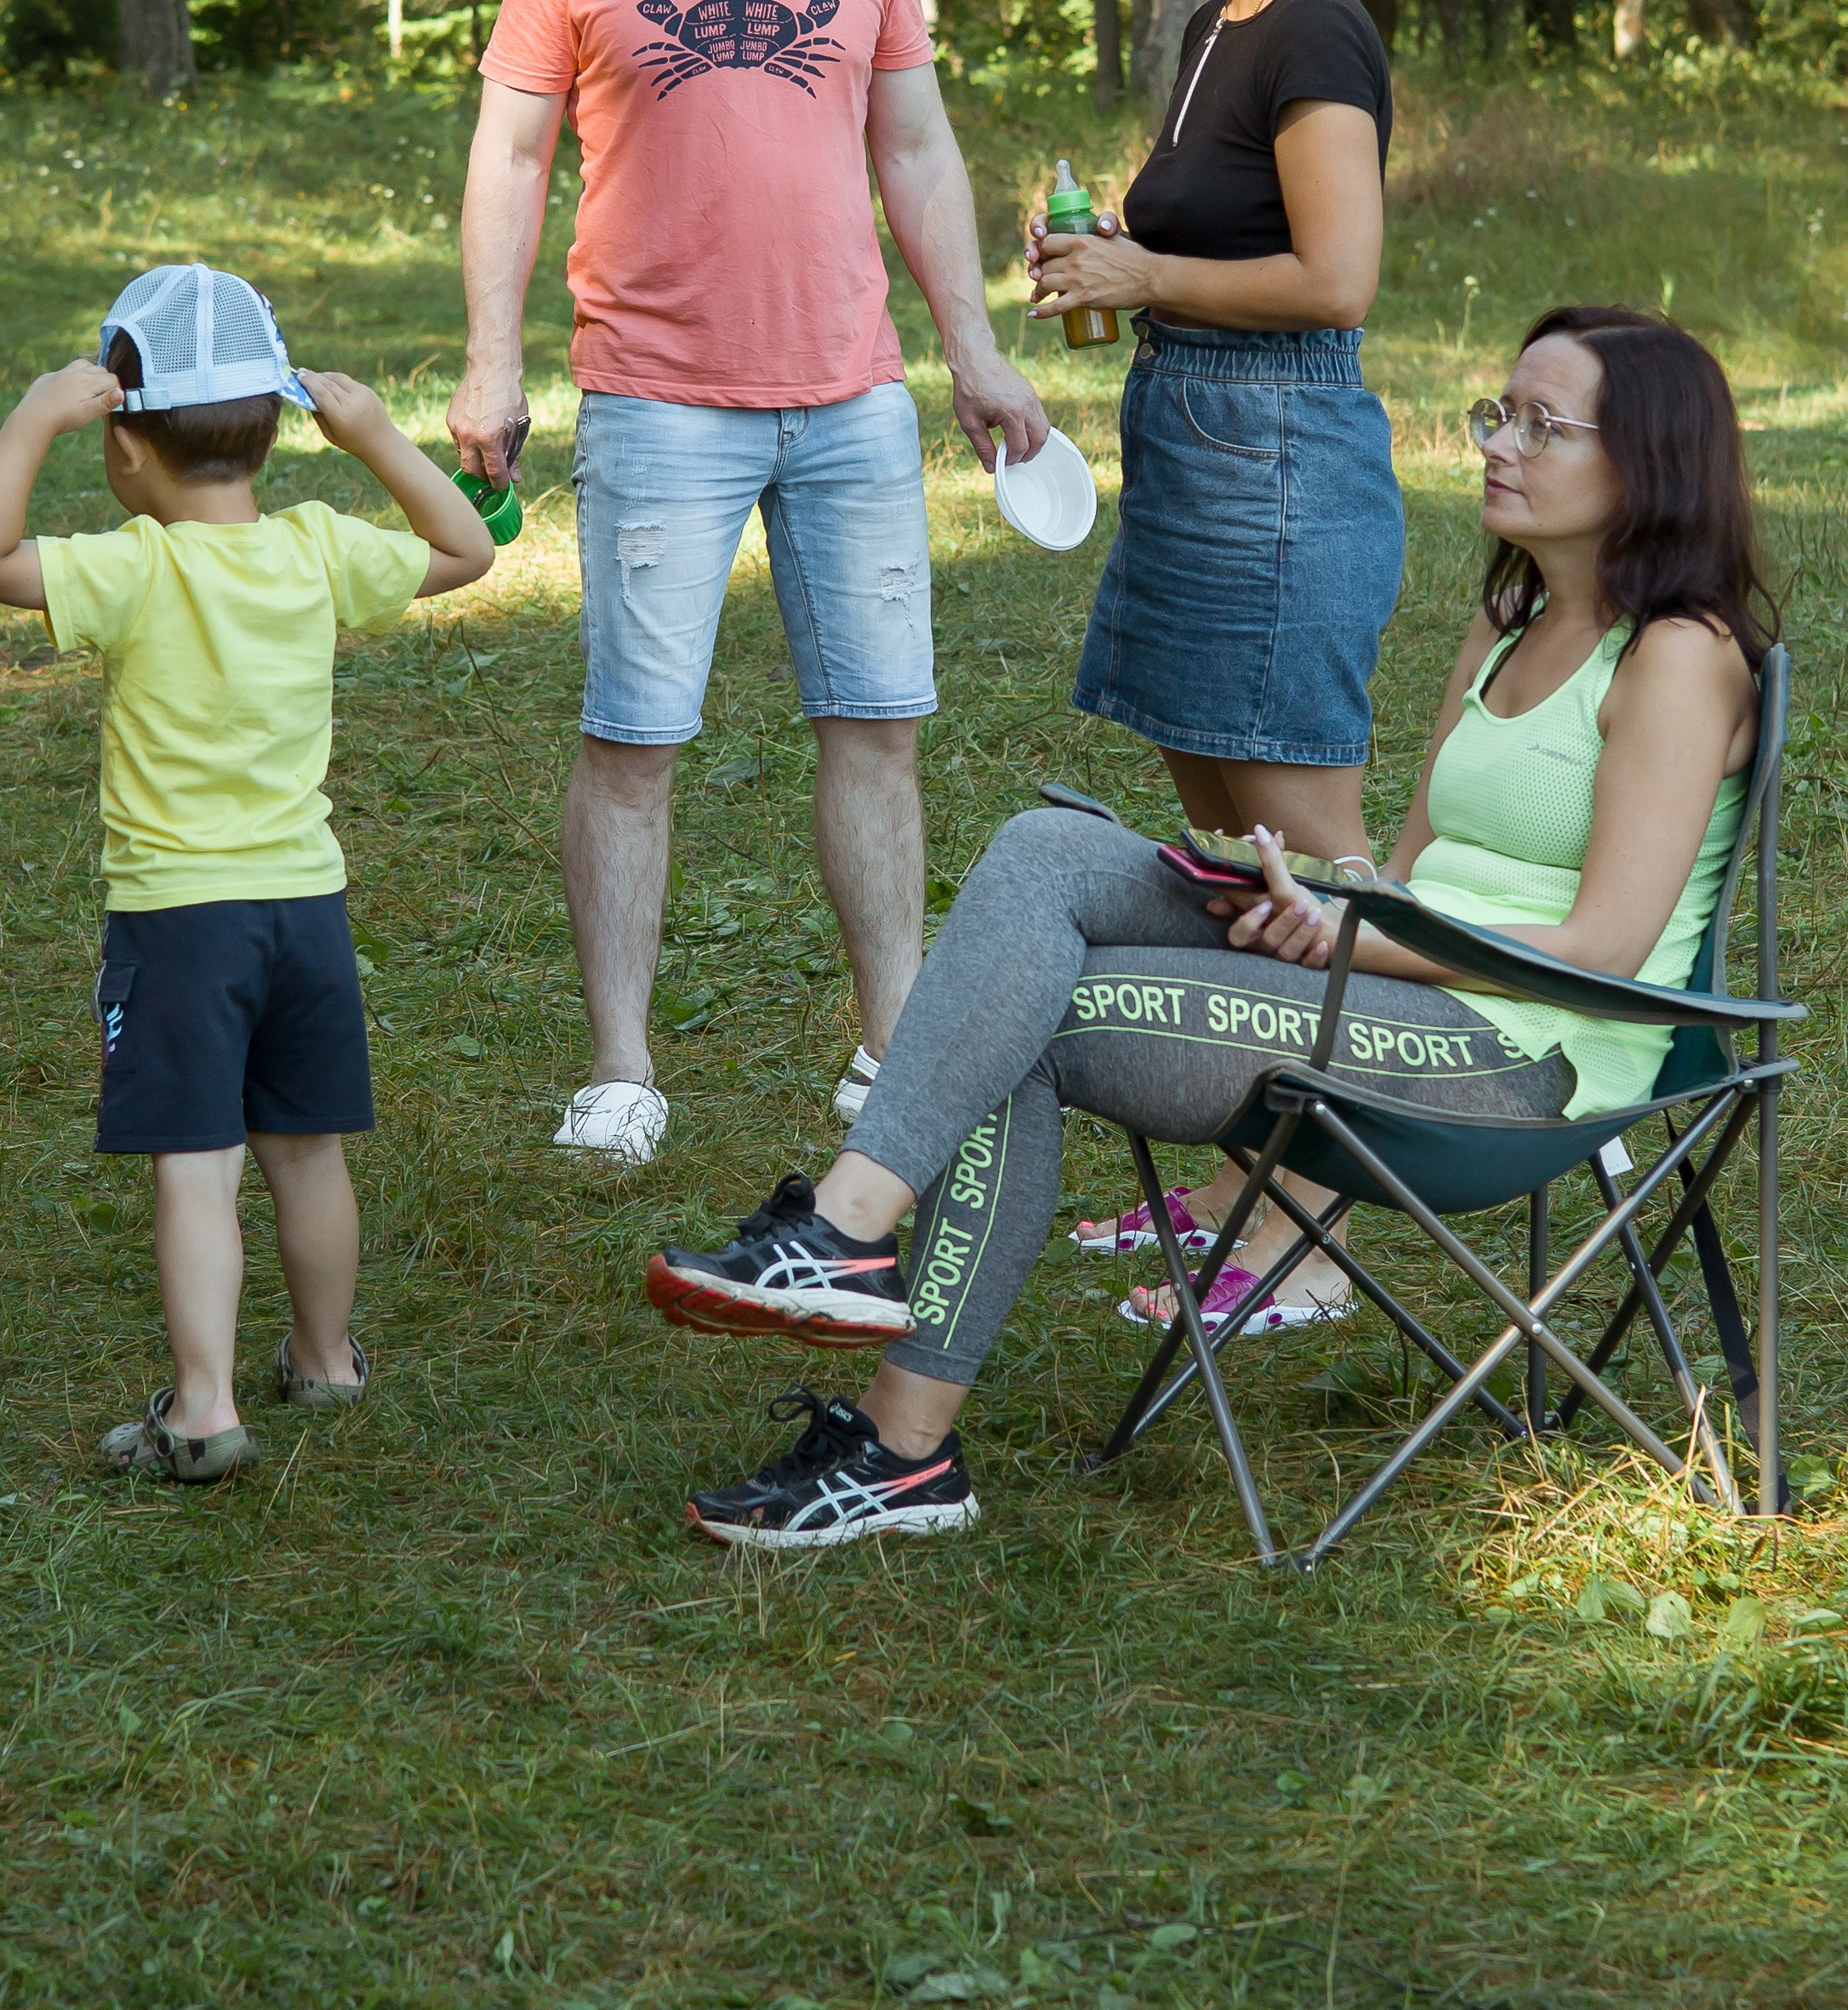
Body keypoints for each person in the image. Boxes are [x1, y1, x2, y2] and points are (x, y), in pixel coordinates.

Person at [642, 304, 1771, 1548]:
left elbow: (1603, 949)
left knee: (1028, 1014)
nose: (1497, 443)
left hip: (1520, 1062)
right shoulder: (1510, 620)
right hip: (1384, 978)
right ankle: (851, 1248)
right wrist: (1294, 894)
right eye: (1496, 412)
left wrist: (1342, 939)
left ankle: (895, 1424)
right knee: (1046, 849)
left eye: (1541, 426)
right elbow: (1402, 871)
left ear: (1647, 461)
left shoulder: (1679, 654)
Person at [447, 0, 1045, 1167]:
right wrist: (491, 356)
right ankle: (623, 1069)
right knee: (634, 736)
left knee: (879, 721)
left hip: (850, 394)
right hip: (654, 395)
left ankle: (890, 1049)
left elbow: (910, 144)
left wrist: (968, 344)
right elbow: (512, 155)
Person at [0, 264, 494, 1484]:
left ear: (124, 448)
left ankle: (202, 1407)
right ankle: (328, 1356)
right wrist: (376, 435)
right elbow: (463, 551)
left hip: (179, 922)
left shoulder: (133, 569)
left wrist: (33, 415)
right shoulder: (315, 549)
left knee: (199, 1164)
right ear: (278, 429)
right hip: (304, 908)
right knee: (309, 1148)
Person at [1025, 0, 1402, 1326]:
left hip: (1282, 461)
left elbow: (1336, 276)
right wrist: (1105, 247)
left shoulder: (1318, 27)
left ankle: (1313, 1226)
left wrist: (1149, 268)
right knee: (1218, 856)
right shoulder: (1211, 29)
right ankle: (1257, 1171)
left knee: (1314, 862)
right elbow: (1201, 221)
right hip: (1195, 442)